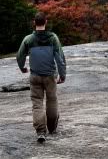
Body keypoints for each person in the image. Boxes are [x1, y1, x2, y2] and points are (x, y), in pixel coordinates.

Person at [16, 12, 67, 143]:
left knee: (37, 103)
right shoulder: (53, 38)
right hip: (50, 76)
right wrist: (62, 75)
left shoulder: (28, 39)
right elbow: (60, 58)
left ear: (34, 22)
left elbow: (20, 56)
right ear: (46, 22)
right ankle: (51, 128)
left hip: (35, 76)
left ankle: (40, 132)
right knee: (52, 100)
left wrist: (22, 68)